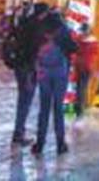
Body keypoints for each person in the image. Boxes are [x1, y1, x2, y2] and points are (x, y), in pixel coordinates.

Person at [32, 9, 77, 155]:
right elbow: (73, 48)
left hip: (44, 72)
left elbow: (34, 49)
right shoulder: (63, 29)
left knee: (44, 108)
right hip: (60, 72)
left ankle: (39, 144)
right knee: (58, 109)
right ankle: (60, 144)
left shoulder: (39, 29)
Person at [7, 2, 48, 146]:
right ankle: (18, 134)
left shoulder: (24, 23)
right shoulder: (37, 27)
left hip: (19, 64)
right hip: (28, 68)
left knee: (22, 99)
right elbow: (33, 51)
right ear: (43, 13)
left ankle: (19, 131)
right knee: (25, 100)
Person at [73, 23, 99, 120]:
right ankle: (81, 109)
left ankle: (80, 111)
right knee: (82, 89)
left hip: (82, 68)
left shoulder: (79, 41)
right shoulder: (94, 42)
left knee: (80, 89)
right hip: (87, 68)